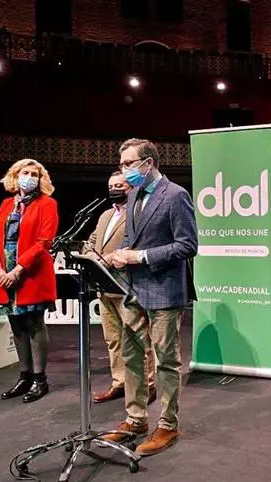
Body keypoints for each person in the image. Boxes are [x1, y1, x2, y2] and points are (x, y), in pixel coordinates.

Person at [104, 138, 197, 457]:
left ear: (149, 163)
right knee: (131, 357)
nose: (125, 171)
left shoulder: (176, 196)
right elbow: (131, 238)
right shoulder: (132, 197)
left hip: (165, 291)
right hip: (132, 290)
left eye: (129, 164)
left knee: (166, 360)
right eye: (123, 165)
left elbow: (187, 246)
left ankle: (168, 425)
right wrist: (121, 254)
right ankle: (136, 418)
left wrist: (140, 257)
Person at [0, 159, 59, 403]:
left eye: (34, 174)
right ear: (15, 176)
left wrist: (18, 270)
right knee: (16, 324)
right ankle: (25, 376)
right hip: (4, 272)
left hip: (31, 272)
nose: (29, 177)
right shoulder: (6, 204)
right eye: (24, 173)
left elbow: (44, 242)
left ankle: (40, 380)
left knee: (34, 323)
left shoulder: (48, 204)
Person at [85, 171, 156, 405]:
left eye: (120, 185)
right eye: (111, 185)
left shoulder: (138, 213)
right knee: (113, 340)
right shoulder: (105, 214)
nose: (114, 189)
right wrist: (88, 254)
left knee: (137, 339)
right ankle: (120, 382)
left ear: (130, 188)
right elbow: (92, 240)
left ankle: (148, 386)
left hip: (128, 285)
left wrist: (105, 258)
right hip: (104, 287)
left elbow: (138, 246)